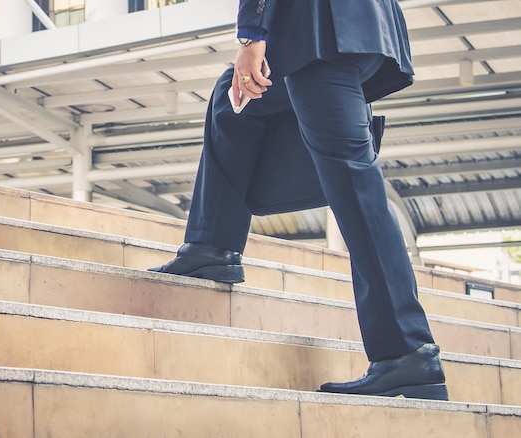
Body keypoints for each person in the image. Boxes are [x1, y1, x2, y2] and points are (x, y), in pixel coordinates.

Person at [149, 0, 448, 401]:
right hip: (352, 26)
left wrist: (252, 33)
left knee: (356, 185)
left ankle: (408, 351)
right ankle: (210, 246)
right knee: (232, 97)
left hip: (320, 29)